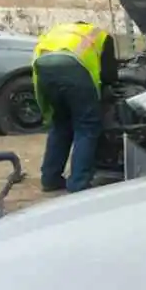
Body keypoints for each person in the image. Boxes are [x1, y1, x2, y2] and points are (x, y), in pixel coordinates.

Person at [31, 21, 117, 192]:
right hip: (74, 72)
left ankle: (50, 178)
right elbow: (109, 76)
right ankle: (78, 182)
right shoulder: (101, 35)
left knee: (61, 125)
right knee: (87, 127)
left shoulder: (57, 31)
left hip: (44, 71)